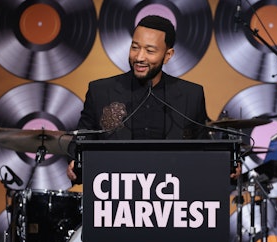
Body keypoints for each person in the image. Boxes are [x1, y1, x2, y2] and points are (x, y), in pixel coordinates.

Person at [67, 15, 212, 182]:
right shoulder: (100, 91)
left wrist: (226, 166)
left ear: (168, 55)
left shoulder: (191, 95)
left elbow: (204, 149)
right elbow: (80, 141)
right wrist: (74, 161)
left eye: (150, 51)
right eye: (135, 47)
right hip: (116, 194)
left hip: (174, 195)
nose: (139, 57)